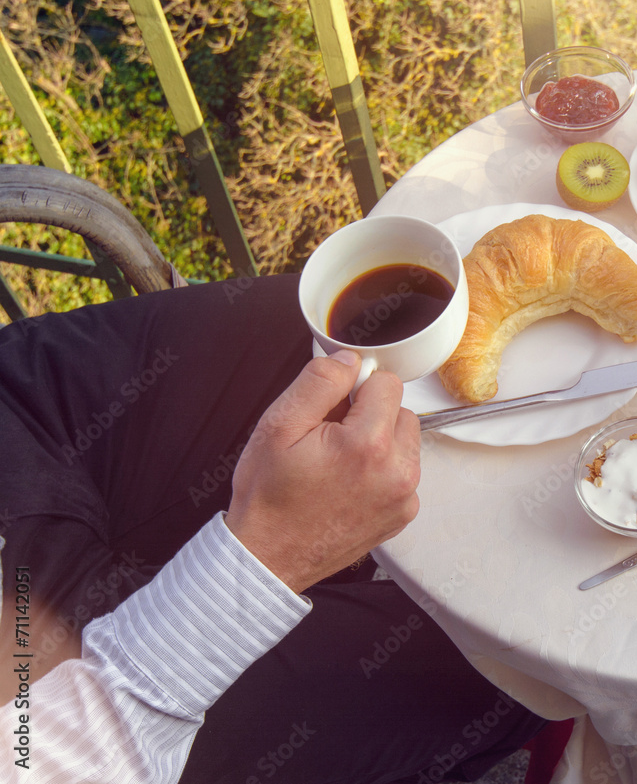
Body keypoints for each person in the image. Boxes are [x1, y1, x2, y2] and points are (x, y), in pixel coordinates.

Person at [0, 273, 547, 783]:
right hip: (41, 700)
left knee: (369, 318)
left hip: (19, 421)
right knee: (511, 662)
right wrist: (264, 558)